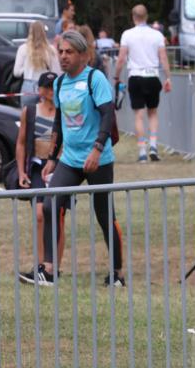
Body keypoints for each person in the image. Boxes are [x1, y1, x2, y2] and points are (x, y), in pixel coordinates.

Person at [32, 31, 125, 287]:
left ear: (83, 55)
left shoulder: (96, 79)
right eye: (61, 51)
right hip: (70, 160)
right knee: (51, 205)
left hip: (98, 159)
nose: (63, 56)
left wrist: (96, 150)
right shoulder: (60, 84)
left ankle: (117, 273)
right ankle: (49, 271)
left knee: (104, 214)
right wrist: (52, 157)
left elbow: (108, 116)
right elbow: (59, 124)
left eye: (69, 52)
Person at [16, 72, 63, 286]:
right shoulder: (31, 111)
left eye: (55, 87)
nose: (52, 91)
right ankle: (41, 265)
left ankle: (55, 267)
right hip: (37, 166)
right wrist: (21, 171)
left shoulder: (63, 112)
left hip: (60, 167)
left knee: (58, 216)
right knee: (39, 214)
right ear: (41, 90)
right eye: (48, 87)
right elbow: (21, 142)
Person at [114, 4, 171, 163]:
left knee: (139, 116)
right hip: (152, 76)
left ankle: (141, 150)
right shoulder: (157, 35)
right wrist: (168, 77)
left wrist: (116, 77)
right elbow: (163, 58)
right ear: (146, 17)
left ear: (133, 17)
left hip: (136, 76)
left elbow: (121, 59)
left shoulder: (127, 34)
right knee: (152, 113)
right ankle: (153, 145)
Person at [14, 21, 58, 107]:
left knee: (27, 116)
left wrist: (26, 68)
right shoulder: (51, 49)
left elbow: (16, 72)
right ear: (44, 32)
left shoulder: (23, 48)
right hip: (47, 86)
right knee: (46, 117)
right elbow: (56, 72)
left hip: (28, 86)